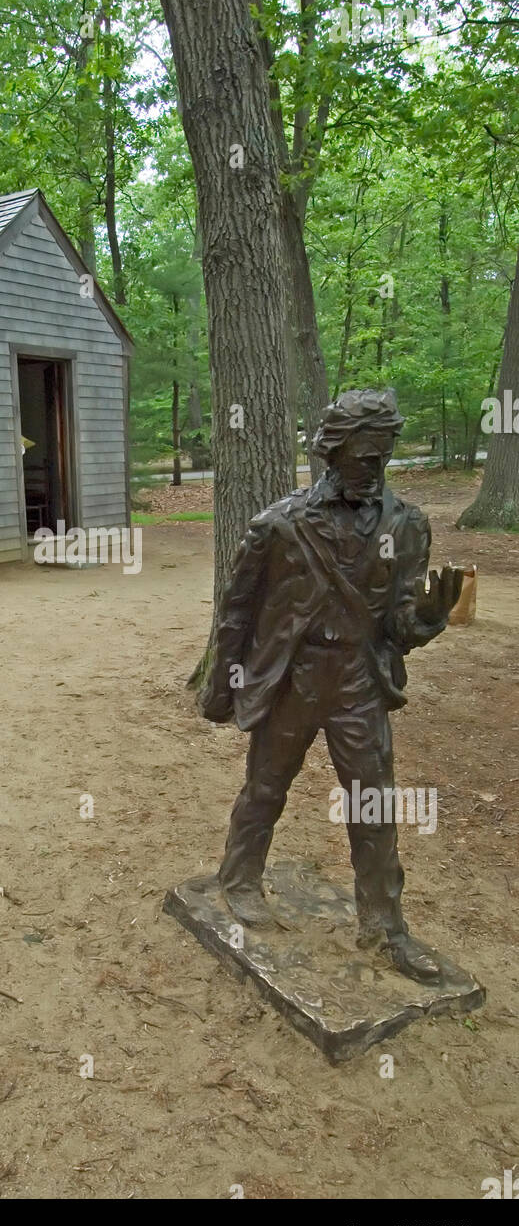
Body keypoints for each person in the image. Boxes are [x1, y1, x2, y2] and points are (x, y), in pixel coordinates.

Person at [198, 388, 463, 984]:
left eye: (384, 456)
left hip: (358, 682)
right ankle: (239, 879)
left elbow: (397, 623)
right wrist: (223, 688)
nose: (375, 468)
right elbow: (236, 611)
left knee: (373, 805)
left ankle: (385, 924)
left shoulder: (407, 525)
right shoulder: (280, 526)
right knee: (265, 788)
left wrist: (426, 619)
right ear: (333, 451)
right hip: (292, 679)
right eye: (365, 457)